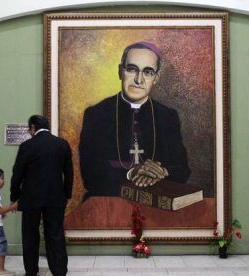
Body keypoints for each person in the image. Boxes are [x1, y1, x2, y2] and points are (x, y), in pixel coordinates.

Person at [79, 42, 191, 201]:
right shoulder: (96, 114)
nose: (139, 79)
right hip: (107, 203)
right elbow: (90, 176)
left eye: (148, 72)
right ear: (120, 71)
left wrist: (161, 172)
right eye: (132, 69)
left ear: (156, 78)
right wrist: (132, 173)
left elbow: (182, 170)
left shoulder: (167, 116)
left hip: (155, 203)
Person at [10, 115, 74, 276]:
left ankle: (31, 271)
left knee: (30, 236)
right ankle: (59, 271)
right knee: (55, 234)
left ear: (33, 127)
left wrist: (14, 196)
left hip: (30, 198)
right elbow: (69, 172)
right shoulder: (62, 144)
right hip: (55, 196)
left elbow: (17, 173)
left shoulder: (27, 146)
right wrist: (67, 194)